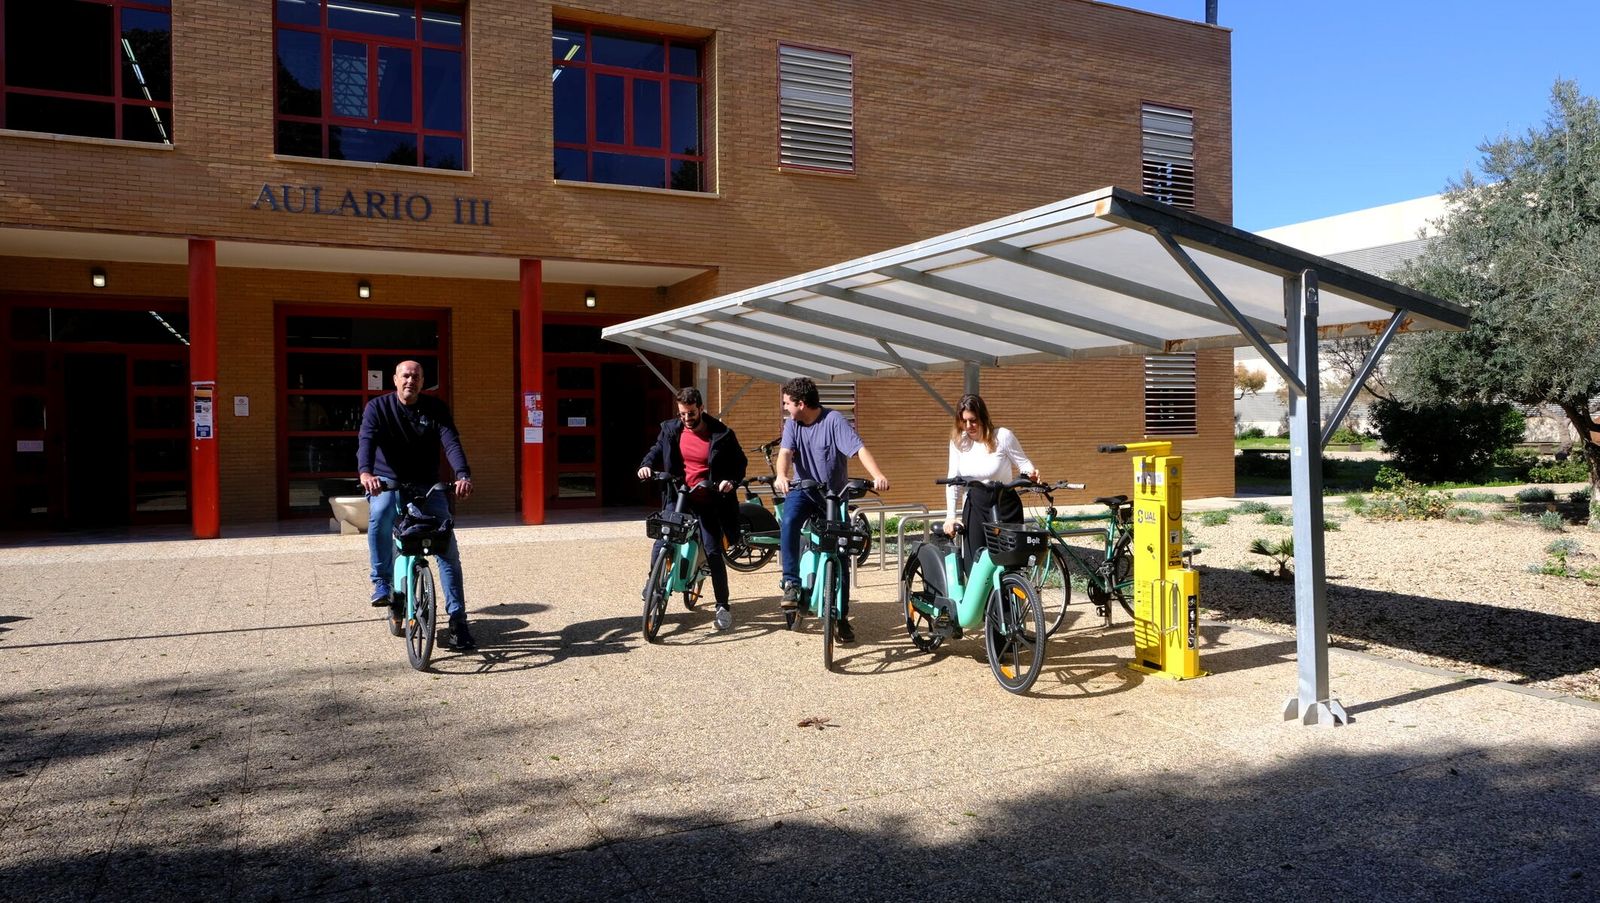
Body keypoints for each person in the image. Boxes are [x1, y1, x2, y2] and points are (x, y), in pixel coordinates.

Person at [358, 360, 477, 650]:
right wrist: (365, 472)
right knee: (381, 514)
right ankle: (382, 583)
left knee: (446, 546)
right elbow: (367, 440)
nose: (410, 380)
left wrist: (462, 474)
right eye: (405, 376)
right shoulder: (378, 408)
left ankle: (458, 621)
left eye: (416, 377)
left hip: (426, 484)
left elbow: (451, 442)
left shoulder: (435, 409)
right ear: (395, 379)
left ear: (423, 382)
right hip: (386, 480)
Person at [772, 377, 890, 643]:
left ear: (801, 404)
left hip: (832, 495)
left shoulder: (833, 420)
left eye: (787, 404)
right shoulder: (793, 424)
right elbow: (786, 453)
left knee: (840, 551)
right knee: (789, 521)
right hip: (804, 490)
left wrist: (878, 475)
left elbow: (858, 449)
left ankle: (841, 617)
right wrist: (781, 475)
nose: (786, 408)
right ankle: (791, 582)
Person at [638, 387, 748, 631]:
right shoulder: (670, 429)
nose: (686, 419)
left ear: (701, 409)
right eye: (682, 414)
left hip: (708, 498)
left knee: (712, 550)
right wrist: (646, 465)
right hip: (679, 494)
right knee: (663, 537)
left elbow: (740, 463)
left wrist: (730, 481)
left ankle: (722, 605)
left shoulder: (721, 434)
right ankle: (652, 582)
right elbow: (657, 450)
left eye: (691, 413)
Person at [942, 393, 1040, 575]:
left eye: (973, 420)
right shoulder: (959, 442)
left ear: (983, 417)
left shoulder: (1002, 437)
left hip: (1005, 505)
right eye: (964, 422)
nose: (969, 426)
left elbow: (1024, 464)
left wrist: (1031, 474)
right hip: (976, 506)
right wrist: (950, 515)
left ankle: (1010, 602)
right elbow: (953, 480)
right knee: (975, 567)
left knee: (1010, 567)